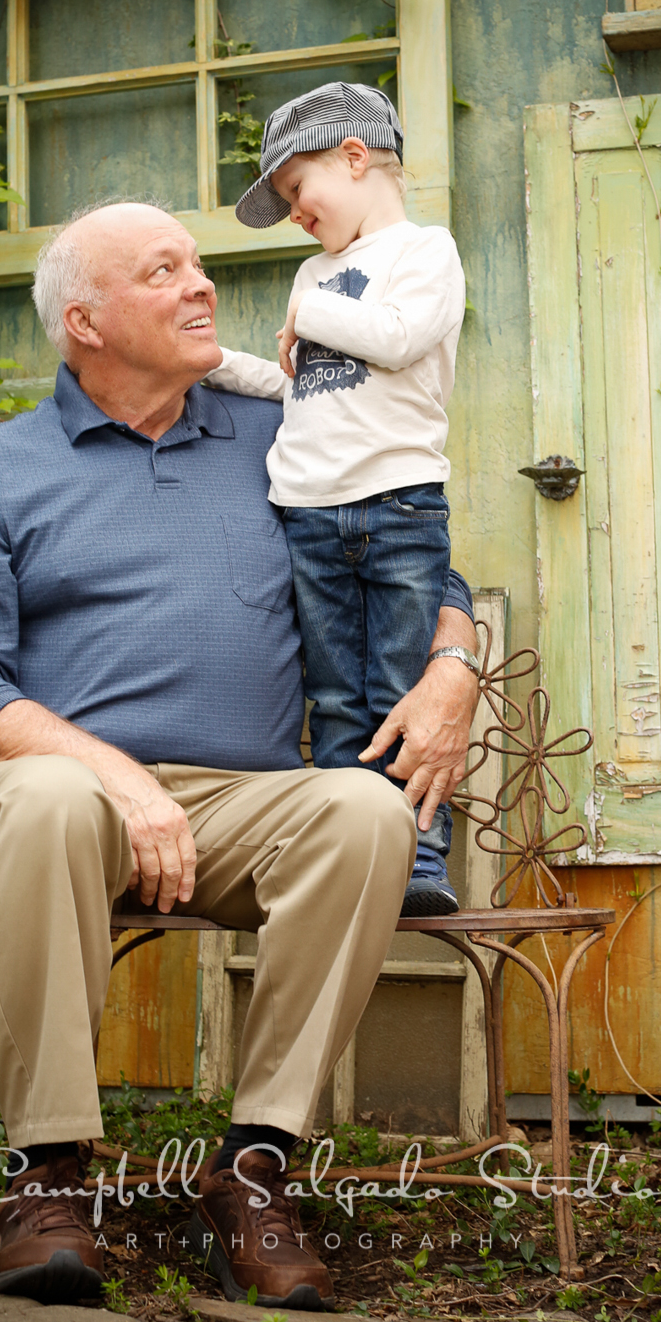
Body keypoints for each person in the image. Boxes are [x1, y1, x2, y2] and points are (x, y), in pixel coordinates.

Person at [0, 201, 480, 1312]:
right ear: (85, 320)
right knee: (38, 799)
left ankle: (254, 1169)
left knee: (365, 813)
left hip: (237, 803)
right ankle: (53, 1176)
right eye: (162, 270)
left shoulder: (275, 440)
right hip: (55, 799)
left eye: (199, 264)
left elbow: (409, 560)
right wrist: (115, 779)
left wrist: (457, 663)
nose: (201, 287)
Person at [204, 83, 473, 919]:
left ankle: (417, 860)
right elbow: (298, 385)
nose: (292, 213)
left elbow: (394, 338)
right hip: (311, 515)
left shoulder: (423, 253)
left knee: (398, 683)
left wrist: (308, 307)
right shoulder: (316, 274)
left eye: (295, 190)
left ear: (354, 157)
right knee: (333, 697)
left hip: (396, 508)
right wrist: (214, 364)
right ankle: (341, 856)